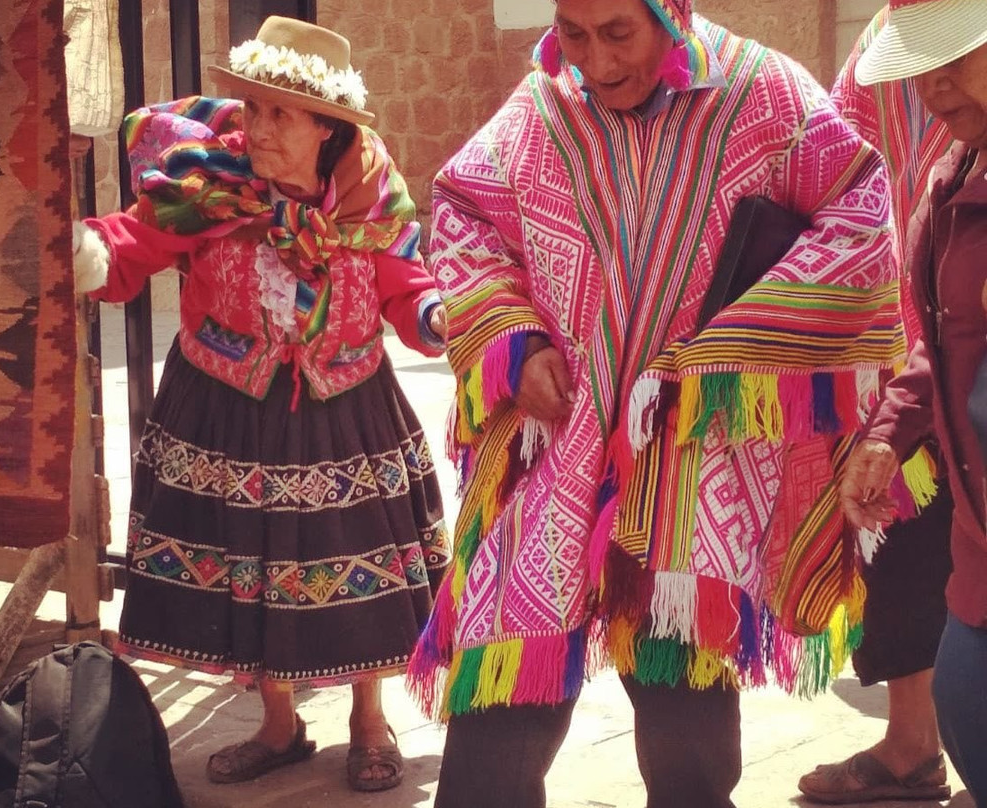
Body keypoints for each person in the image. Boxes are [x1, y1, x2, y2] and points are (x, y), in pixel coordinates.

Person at [406, 0, 917, 806]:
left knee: (687, 730)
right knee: (498, 706)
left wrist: (726, 355)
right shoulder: (544, 104)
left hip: (694, 457)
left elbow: (861, 215)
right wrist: (516, 341)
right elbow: (463, 211)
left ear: (669, 12)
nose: (597, 62)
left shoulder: (764, 95)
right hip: (559, 443)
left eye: (619, 32)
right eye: (574, 33)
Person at [71, 17, 450, 793]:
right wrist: (78, 253)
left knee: (354, 566)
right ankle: (279, 727)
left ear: (326, 128)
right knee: (252, 567)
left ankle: (368, 722)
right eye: (254, 108)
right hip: (227, 404)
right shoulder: (210, 185)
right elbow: (134, 243)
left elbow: (404, 284)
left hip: (344, 400)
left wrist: (441, 316)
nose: (259, 127)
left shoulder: (371, 198)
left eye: (282, 114)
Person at [798, 6, 957, 803]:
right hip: (908, 338)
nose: (938, 83)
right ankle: (913, 742)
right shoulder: (882, 42)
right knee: (907, 545)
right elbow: (834, 151)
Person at [840, 1, 987, 804]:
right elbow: (943, 335)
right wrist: (889, 432)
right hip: (977, 528)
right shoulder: (952, 180)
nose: (932, 86)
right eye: (920, 65)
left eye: (955, 58)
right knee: (964, 697)